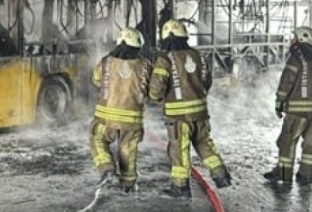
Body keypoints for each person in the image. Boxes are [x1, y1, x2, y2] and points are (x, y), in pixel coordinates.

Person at [149, 19, 232, 198]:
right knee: (204, 144)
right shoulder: (199, 55)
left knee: (179, 150)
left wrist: (159, 99)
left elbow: (156, 89)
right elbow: (207, 81)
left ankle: (180, 188)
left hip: (178, 117)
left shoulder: (165, 59)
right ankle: (221, 175)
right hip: (201, 113)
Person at [90, 27, 152, 193]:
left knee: (97, 138)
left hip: (106, 117)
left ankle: (106, 168)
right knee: (128, 149)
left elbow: (96, 80)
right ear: (138, 46)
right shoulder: (146, 65)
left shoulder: (106, 61)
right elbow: (151, 90)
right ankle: (128, 185)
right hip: (132, 119)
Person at [263, 26, 312, 186]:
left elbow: (286, 82)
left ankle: (283, 174)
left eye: (294, 38)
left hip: (298, 111)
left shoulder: (296, 59)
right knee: (311, 144)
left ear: (301, 40)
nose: (292, 41)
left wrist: (279, 101)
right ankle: (306, 175)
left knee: (287, 142)